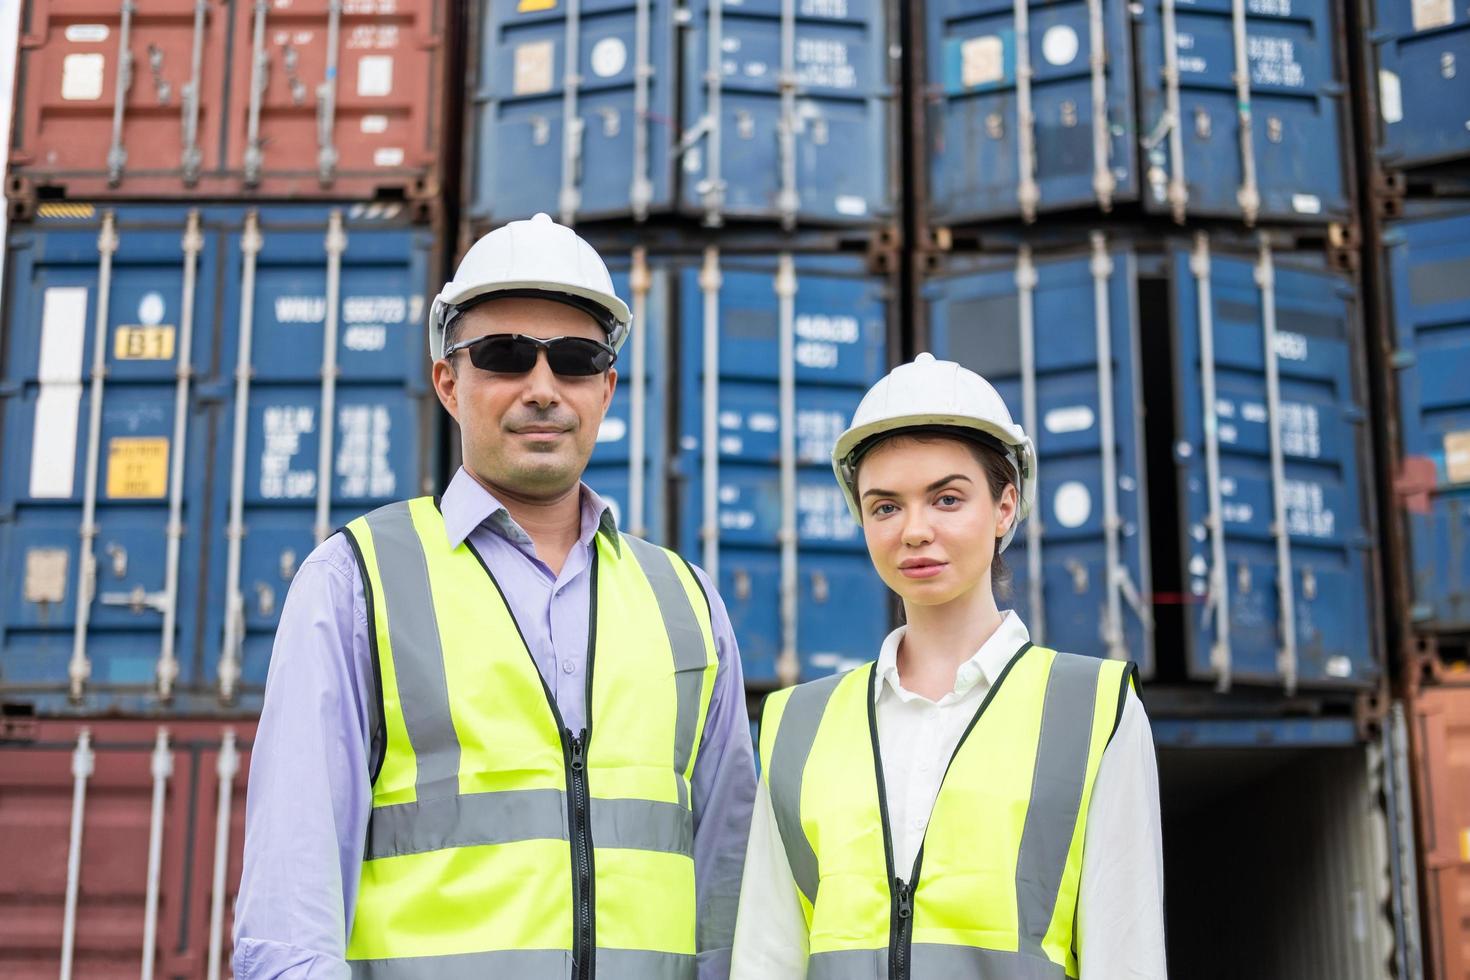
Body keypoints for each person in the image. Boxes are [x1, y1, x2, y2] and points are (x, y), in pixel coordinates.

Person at [234, 213, 756, 979]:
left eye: (576, 360)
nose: (543, 388)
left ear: (607, 389)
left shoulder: (686, 603)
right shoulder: (356, 583)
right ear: (450, 381)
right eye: (505, 355)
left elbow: (731, 902)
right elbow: (289, 918)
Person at [730, 353, 1166, 979]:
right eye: (885, 507)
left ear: (1005, 507)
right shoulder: (797, 725)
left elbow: (1126, 960)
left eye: (947, 499)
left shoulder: (1095, 712)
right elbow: (765, 959)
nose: (914, 530)